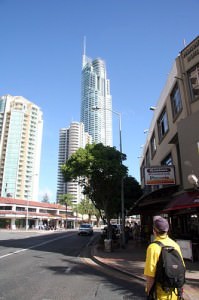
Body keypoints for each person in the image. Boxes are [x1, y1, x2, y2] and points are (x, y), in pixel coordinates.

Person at [144, 216, 185, 300]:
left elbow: (150, 276)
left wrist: (148, 292)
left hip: (159, 294)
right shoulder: (175, 245)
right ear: (167, 230)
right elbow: (182, 269)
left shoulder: (153, 247)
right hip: (175, 294)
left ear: (154, 231)